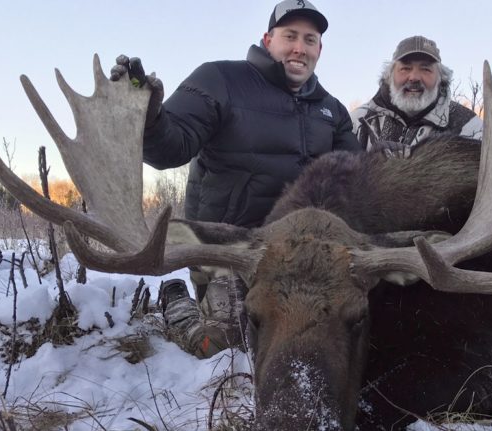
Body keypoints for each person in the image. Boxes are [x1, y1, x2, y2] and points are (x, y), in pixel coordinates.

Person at [111, 0, 360, 358]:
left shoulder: (331, 110)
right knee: (228, 348)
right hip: (228, 249)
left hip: (301, 254)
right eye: (290, 36)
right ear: (268, 40)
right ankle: (179, 307)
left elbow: (356, 178)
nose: (299, 48)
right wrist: (147, 119)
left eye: (309, 40)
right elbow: (170, 148)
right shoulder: (219, 80)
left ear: (319, 50)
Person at [351, 35, 482, 154]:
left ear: (441, 78)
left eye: (425, 69)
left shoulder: (468, 126)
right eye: (405, 68)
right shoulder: (358, 121)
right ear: (389, 76)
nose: (414, 77)